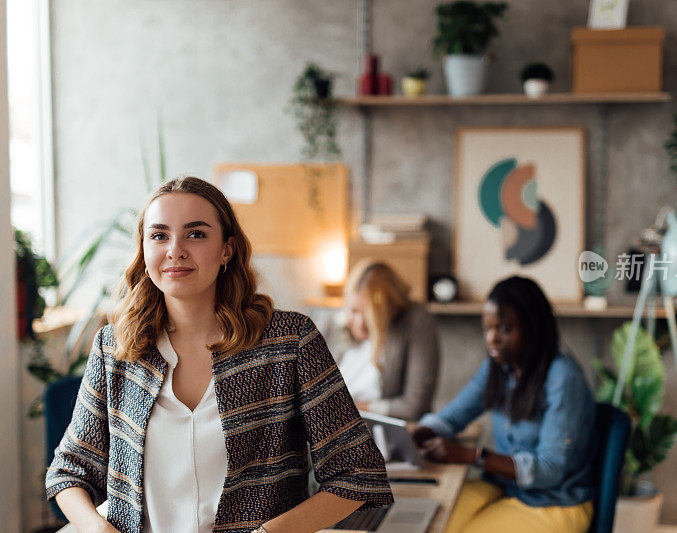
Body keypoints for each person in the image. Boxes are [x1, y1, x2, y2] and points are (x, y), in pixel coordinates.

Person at [45, 177, 393, 533]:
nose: (175, 250)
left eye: (195, 234)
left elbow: (357, 472)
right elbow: (69, 471)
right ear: (144, 249)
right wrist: (98, 528)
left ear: (227, 250)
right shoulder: (113, 349)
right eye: (159, 235)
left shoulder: (289, 342)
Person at [411, 276, 596, 533]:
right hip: (505, 486)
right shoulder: (498, 367)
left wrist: (471, 456)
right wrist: (414, 436)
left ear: (533, 328)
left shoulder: (563, 378)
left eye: (504, 329)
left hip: (554, 501)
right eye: (487, 328)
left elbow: (549, 469)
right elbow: (452, 418)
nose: (492, 339)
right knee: (427, 521)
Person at [336, 259, 440, 420]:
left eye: (370, 315)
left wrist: (352, 407)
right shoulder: (334, 327)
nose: (360, 323)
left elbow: (414, 407)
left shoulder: (416, 322)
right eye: (354, 311)